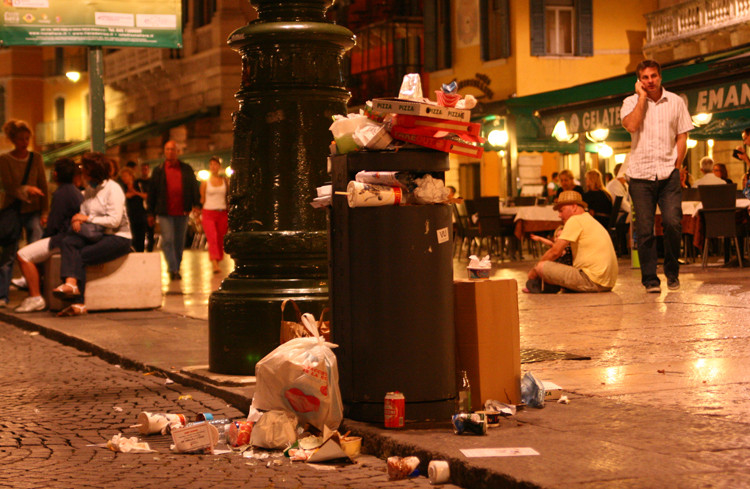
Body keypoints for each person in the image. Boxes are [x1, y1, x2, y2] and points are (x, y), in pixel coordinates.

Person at [621, 59, 693, 293]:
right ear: (639, 81)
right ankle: (650, 279)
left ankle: (672, 272)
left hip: (668, 173)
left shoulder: (676, 102)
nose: (650, 81)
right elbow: (631, 126)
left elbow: (682, 135)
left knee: (673, 223)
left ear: (660, 76)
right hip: (640, 175)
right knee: (644, 229)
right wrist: (642, 98)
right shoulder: (630, 102)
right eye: (645, 77)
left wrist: (677, 164)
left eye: (653, 76)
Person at [51, 152, 132, 316]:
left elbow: (114, 221)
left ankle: (77, 301)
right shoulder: (89, 190)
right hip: (98, 234)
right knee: (68, 242)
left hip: (118, 237)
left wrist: (87, 218)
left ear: (92, 170)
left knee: (80, 255)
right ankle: (71, 286)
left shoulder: (113, 189)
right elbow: (82, 212)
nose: (81, 172)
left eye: (84, 168)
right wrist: (77, 220)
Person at [14, 158, 84, 312]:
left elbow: (54, 224)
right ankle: (30, 285)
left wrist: (45, 236)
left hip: (62, 239)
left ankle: (35, 296)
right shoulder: (74, 191)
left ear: (56, 174)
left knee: (23, 255)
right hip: (70, 237)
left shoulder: (61, 193)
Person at [526, 190, 618, 293]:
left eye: (561, 210)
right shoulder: (589, 220)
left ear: (574, 207)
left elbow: (555, 252)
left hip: (592, 280)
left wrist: (533, 272)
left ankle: (546, 283)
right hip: (607, 283)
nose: (559, 215)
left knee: (541, 267)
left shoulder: (575, 220)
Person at [0, 120, 49, 308]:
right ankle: (3, 295)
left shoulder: (36, 158)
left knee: (35, 252)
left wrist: (45, 211)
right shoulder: (5, 160)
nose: (24, 142)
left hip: (34, 211)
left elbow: (43, 185)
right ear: (13, 139)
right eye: (21, 139)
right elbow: (9, 186)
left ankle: (35, 293)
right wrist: (27, 189)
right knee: (8, 254)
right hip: (12, 211)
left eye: (27, 138)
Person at [147, 140, 201, 280]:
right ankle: (173, 268)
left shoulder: (186, 169)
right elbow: (152, 193)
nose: (170, 152)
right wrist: (150, 213)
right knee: (168, 240)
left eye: (173, 149)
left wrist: (196, 205)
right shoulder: (158, 170)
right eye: (167, 149)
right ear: (164, 151)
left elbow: (194, 186)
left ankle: (176, 266)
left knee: (179, 241)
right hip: (165, 212)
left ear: (177, 151)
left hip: (182, 211)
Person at [200, 156, 229, 274]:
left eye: (215, 164)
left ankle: (218, 259)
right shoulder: (205, 182)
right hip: (208, 212)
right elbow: (202, 198)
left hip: (222, 212)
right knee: (212, 237)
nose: (213, 167)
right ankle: (215, 264)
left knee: (221, 238)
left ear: (219, 167)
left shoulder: (225, 181)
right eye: (211, 164)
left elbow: (228, 196)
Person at [119, 166, 148, 252]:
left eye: (125, 175)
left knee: (141, 237)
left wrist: (135, 193)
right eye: (122, 176)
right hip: (129, 216)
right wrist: (126, 196)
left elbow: (146, 196)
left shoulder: (139, 184)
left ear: (131, 176)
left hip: (140, 215)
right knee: (132, 237)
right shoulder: (122, 187)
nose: (124, 178)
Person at [606, 163, 632, 255]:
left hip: (622, 214)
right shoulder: (614, 185)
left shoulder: (625, 185)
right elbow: (623, 204)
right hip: (616, 216)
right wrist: (634, 210)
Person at [136, 163, 155, 252]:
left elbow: (150, 195)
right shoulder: (137, 182)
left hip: (150, 210)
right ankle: (140, 250)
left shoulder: (152, 182)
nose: (144, 171)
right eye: (143, 169)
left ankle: (150, 250)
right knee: (141, 232)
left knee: (150, 232)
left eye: (146, 169)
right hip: (140, 211)